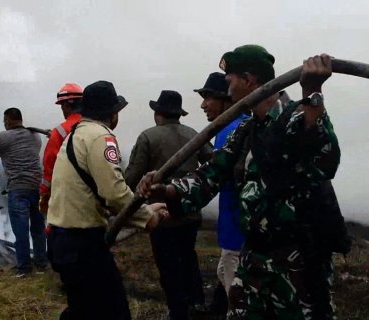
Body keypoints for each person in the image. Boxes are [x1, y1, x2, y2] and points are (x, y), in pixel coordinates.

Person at [138, 45, 342, 319]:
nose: (226, 84)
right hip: (254, 259)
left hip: (299, 264)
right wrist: (168, 190)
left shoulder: (296, 117)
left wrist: (313, 93)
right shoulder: (247, 129)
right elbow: (210, 174)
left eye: (229, 78)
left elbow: (325, 159)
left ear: (249, 80)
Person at [46, 80, 167, 320]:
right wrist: (147, 217)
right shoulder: (102, 138)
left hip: (62, 240)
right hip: (83, 244)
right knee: (114, 311)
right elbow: (114, 192)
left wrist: (144, 210)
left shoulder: (75, 136)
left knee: (82, 308)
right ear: (113, 114)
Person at [125, 90, 211, 320]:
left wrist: (122, 200)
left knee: (168, 263)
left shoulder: (148, 137)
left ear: (157, 113)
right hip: (190, 211)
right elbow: (213, 163)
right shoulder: (194, 135)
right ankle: (198, 301)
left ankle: (178, 310)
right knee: (188, 256)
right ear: (178, 114)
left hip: (161, 214)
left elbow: (132, 175)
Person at [194, 72, 249, 315]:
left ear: (226, 99)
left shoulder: (230, 130)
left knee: (237, 305)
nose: (203, 104)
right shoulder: (243, 123)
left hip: (236, 237)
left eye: (209, 97)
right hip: (241, 235)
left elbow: (213, 179)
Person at [0, 107, 48, 277]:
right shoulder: (36, 136)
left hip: (18, 188)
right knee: (38, 228)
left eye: (5, 121)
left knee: (21, 231)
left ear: (8, 120)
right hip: (37, 187)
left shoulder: (2, 137)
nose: (4, 124)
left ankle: (24, 269)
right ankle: (42, 264)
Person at [39, 83, 83, 216]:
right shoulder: (95, 126)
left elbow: (49, 164)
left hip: (66, 196)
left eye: (62, 106)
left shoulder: (59, 132)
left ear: (67, 105)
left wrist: (44, 193)